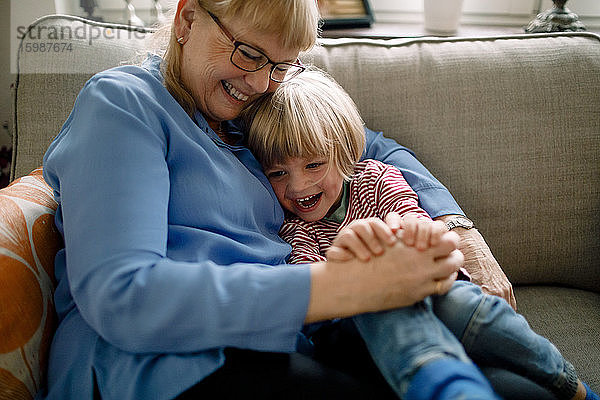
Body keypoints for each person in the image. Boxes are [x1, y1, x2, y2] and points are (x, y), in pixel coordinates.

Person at [38, 0, 516, 398]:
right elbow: (123, 298)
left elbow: (369, 147)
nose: (264, 83)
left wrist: (456, 226)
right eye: (249, 53)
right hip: (161, 368)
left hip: (282, 341)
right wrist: (350, 285)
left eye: (283, 65)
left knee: (510, 384)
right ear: (186, 21)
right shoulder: (125, 104)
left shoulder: (241, 111)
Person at [241, 68, 599, 400]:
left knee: (464, 305)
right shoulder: (294, 226)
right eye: (277, 174)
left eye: (313, 165)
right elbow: (309, 283)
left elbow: (413, 222)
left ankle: (567, 382)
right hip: (355, 325)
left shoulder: (378, 179)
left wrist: (405, 242)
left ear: (345, 152)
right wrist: (348, 271)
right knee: (399, 312)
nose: (298, 185)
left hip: (426, 290)